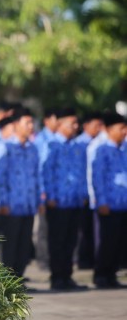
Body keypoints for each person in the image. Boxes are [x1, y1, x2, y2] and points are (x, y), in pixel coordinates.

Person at [42, 108, 87, 291]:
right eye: (72, 124)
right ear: (59, 124)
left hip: (74, 200)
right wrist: (49, 196)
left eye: (77, 123)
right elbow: (45, 172)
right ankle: (57, 277)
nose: (76, 127)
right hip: (58, 201)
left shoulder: (77, 147)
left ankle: (67, 276)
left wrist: (83, 194)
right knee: (57, 240)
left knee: (71, 240)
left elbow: (83, 173)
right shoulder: (51, 145)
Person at [0, 108, 42, 279]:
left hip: (29, 205)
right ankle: (7, 283)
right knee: (10, 246)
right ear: (15, 125)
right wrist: (2, 202)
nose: (31, 126)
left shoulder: (33, 149)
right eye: (27, 123)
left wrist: (38, 200)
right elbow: (0, 179)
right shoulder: (5, 147)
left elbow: (37, 176)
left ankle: (19, 279)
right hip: (11, 206)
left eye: (32, 123)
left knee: (24, 246)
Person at [91, 112, 127, 288]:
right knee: (106, 242)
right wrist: (101, 201)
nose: (124, 132)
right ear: (110, 130)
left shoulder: (125, 149)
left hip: (123, 204)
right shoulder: (102, 149)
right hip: (108, 205)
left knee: (120, 242)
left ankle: (112, 274)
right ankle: (101, 274)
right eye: (121, 128)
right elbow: (98, 178)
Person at [74, 111, 103, 269]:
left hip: (93, 193)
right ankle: (83, 259)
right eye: (96, 125)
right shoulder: (79, 144)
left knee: (93, 230)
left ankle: (92, 259)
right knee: (83, 230)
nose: (99, 128)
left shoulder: (98, 143)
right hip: (81, 193)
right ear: (86, 126)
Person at [33, 107, 59, 269]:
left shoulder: (57, 139)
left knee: (54, 229)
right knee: (42, 228)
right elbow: (40, 168)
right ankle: (43, 259)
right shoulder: (41, 140)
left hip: (57, 193)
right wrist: (42, 192)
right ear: (47, 120)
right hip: (44, 192)